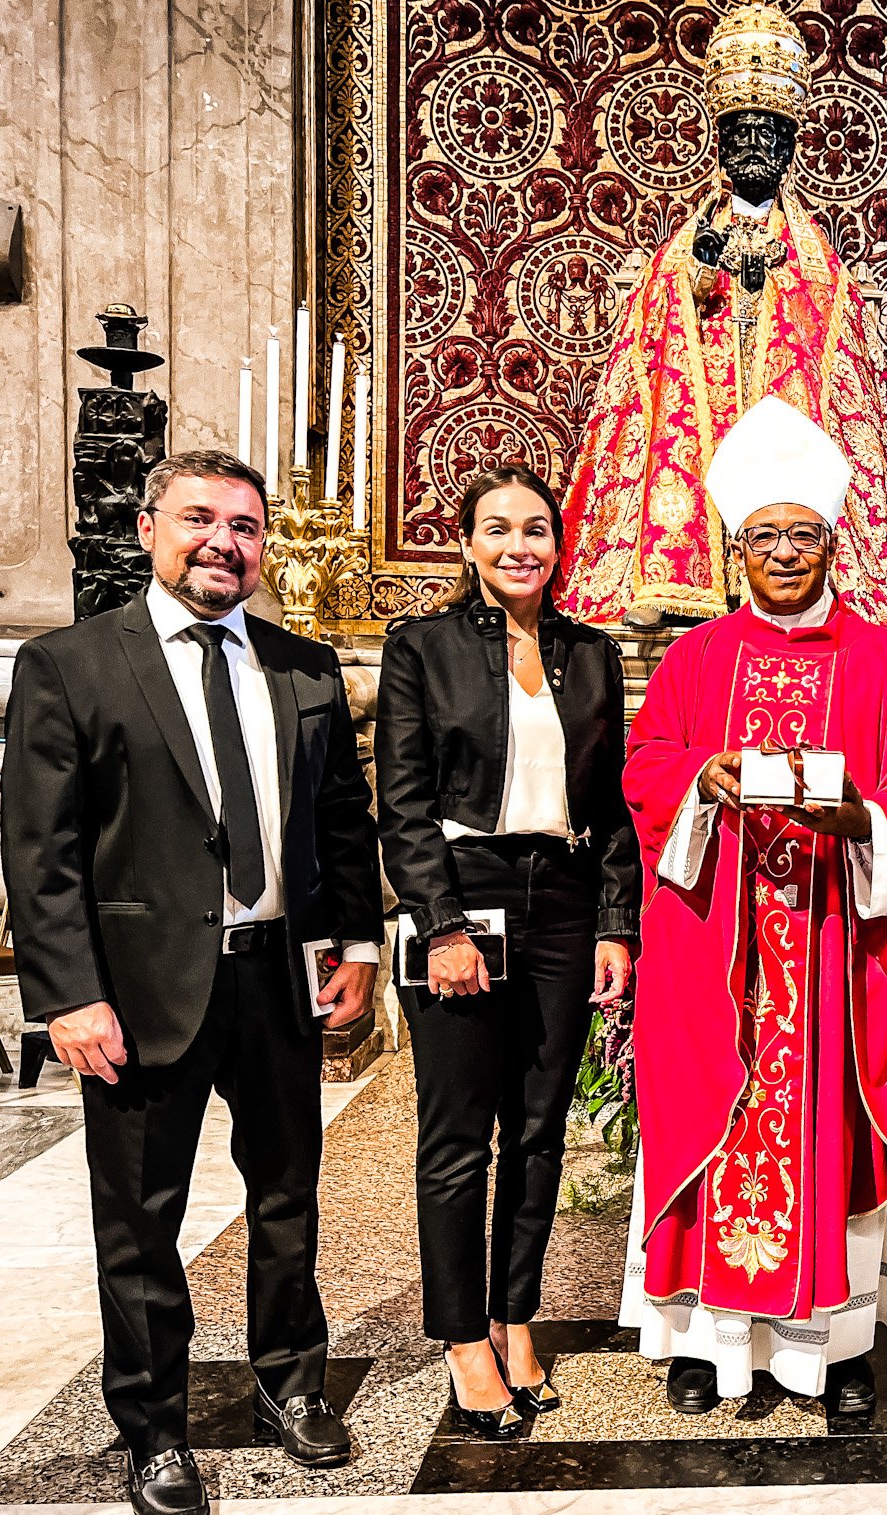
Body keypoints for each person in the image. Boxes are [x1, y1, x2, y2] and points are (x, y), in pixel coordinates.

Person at [0, 451, 382, 1515]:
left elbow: (341, 828)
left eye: (246, 527)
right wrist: (69, 994)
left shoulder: (304, 669)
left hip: (274, 978)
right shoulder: (71, 664)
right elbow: (43, 849)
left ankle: (289, 1378)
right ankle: (154, 1428)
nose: (225, 541)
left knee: (287, 1197)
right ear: (148, 526)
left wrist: (353, 941)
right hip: (135, 991)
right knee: (140, 1222)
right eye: (201, 519)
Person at [619, 396, 887, 1415]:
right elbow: (644, 767)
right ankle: (700, 1343)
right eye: (762, 536)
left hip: (832, 954)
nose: (781, 553)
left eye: (800, 535)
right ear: (738, 548)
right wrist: (698, 779)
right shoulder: (693, 660)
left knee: (827, 1136)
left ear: (829, 542)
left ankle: (830, 1348)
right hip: (714, 951)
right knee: (706, 1119)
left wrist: (864, 817)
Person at [376, 464, 642, 1439]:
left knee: (537, 1134)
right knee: (457, 1138)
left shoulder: (591, 654)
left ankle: (513, 1315)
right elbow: (400, 804)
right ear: (468, 545)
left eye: (536, 528)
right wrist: (439, 922)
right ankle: (460, 1339)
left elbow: (610, 805)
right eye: (498, 528)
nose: (519, 545)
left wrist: (617, 924)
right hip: (466, 893)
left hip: (565, 901)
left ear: (559, 545)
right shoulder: (423, 648)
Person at [555, 2, 887, 632]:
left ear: (790, 148)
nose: (755, 149)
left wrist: (773, 285)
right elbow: (651, 348)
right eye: (741, 136)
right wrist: (696, 279)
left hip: (779, 405)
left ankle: (803, 568)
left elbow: (834, 366)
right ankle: (678, 572)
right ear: (720, 146)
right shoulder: (684, 242)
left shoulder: (819, 261)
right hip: (703, 407)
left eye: (770, 135)